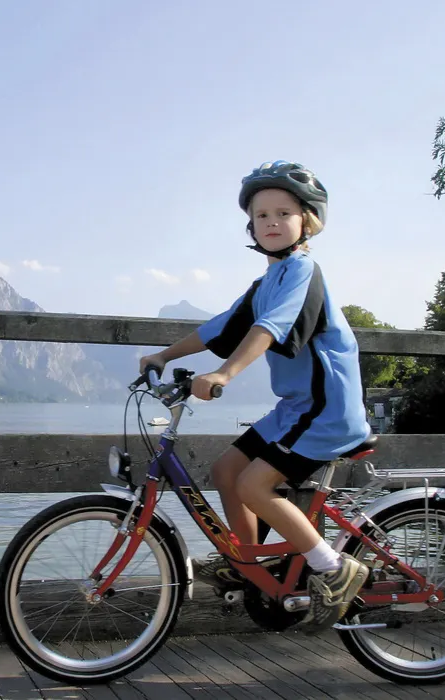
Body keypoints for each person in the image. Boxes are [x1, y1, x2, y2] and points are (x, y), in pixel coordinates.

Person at [139, 160, 373, 630]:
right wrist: (162, 356)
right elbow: (221, 326)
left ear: (306, 221)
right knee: (227, 470)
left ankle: (334, 567)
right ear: (250, 224)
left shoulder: (303, 269)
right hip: (296, 409)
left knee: (253, 485)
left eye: (282, 213)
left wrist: (225, 373)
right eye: (261, 214)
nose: (270, 222)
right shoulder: (268, 281)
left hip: (327, 410)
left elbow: (270, 328)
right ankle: (251, 563)